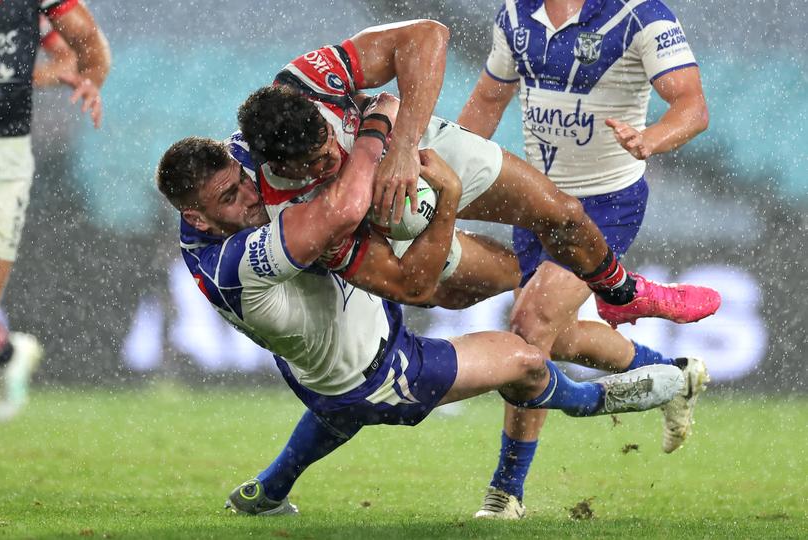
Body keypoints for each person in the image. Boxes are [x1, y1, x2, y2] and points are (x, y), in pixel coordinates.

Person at [155, 113, 686, 514]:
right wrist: (388, 135)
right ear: (195, 217)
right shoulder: (232, 264)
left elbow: (262, 149)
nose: (251, 196)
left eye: (242, 179)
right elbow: (379, 248)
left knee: (336, 402)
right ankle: (593, 398)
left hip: (331, 343)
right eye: (230, 196)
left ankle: (268, 490)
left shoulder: (224, 197)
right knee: (525, 359)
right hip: (379, 371)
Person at [236, 21, 719, 339]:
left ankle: (621, 296)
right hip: (379, 225)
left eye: (328, 142)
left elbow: (427, 35)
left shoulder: (310, 80)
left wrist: (401, 146)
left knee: (565, 215)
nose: (331, 160)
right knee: (499, 294)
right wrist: (442, 201)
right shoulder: (296, 214)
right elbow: (410, 288)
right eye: (319, 165)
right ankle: (659, 372)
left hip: (413, 145)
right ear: (284, 167)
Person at [456, 0, 712, 518]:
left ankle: (506, 491)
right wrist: (442, 168)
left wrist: (650, 139)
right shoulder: (515, 14)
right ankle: (673, 376)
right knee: (562, 337)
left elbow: (692, 108)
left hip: (605, 203)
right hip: (538, 200)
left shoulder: (641, 15)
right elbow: (487, 100)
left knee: (529, 328)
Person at [0, 0, 110, 420]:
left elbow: (81, 44)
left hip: (4, 151)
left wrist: (86, 79)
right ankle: (8, 354)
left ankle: (8, 355)